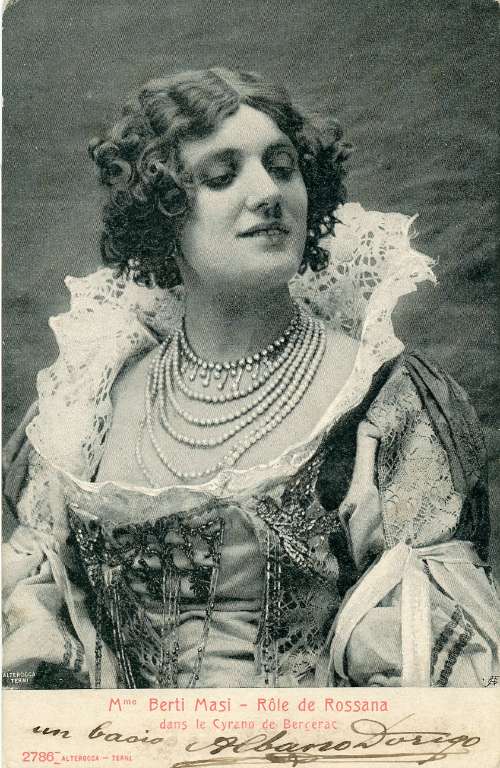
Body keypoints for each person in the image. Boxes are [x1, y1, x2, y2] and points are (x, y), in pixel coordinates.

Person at [2, 68, 498, 689]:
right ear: (161, 210)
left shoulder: (385, 401)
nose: (267, 192)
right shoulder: (86, 406)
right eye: (221, 176)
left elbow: (429, 672)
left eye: (283, 167)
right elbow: (32, 639)